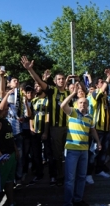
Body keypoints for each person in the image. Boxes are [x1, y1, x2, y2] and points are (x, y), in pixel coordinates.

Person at [22, 56, 69, 186]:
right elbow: (39, 82)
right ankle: (59, 176)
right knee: (57, 155)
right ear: (54, 81)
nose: (61, 80)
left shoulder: (70, 92)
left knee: (70, 153)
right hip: (56, 128)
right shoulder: (52, 91)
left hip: (70, 127)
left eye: (63, 78)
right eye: (58, 79)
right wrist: (30, 70)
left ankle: (70, 175)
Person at [60, 84, 101, 206]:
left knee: (81, 177)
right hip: (72, 151)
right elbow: (62, 105)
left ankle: (78, 199)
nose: (83, 104)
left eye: (85, 103)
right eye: (81, 103)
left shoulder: (89, 117)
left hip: (84, 151)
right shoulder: (72, 112)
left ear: (88, 105)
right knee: (70, 180)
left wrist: (98, 142)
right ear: (77, 104)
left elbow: (93, 130)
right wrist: (73, 93)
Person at [28, 82, 50, 185]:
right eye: (35, 86)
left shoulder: (48, 100)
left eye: (38, 86)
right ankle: (39, 173)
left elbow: (47, 116)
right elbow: (31, 116)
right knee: (36, 154)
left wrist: (45, 132)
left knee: (49, 153)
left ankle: (52, 175)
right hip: (35, 131)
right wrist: (31, 127)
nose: (36, 88)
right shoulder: (34, 100)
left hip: (45, 131)